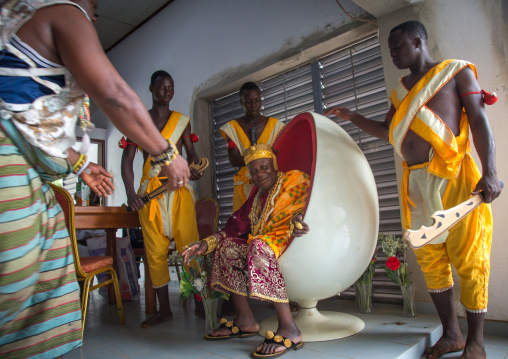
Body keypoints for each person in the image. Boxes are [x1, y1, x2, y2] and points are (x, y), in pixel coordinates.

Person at [0, 1, 189, 358]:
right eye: (95, 5)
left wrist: (81, 164)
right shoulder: (64, 10)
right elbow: (115, 96)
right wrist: (167, 155)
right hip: (12, 171)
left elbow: (27, 122)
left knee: (40, 307)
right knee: (13, 292)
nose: (95, 14)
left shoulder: (17, 21)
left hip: (33, 176)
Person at [324, 20, 501, 359]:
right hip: (415, 185)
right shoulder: (400, 91)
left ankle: (476, 342)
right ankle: (452, 334)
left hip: (455, 178)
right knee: (430, 260)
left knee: (470, 259)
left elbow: (479, 119)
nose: (392, 53)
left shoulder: (455, 72)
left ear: (419, 43)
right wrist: (352, 116)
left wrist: (491, 172)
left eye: (398, 46)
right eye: (391, 48)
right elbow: (387, 131)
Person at [183, 144, 310, 359]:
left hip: (294, 241)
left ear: (274, 165)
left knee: (258, 246)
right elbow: (235, 227)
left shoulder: (293, 179)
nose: (260, 174)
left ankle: (290, 329)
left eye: (265, 167)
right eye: (254, 171)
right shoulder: (256, 198)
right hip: (264, 244)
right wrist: (206, 243)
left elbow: (307, 203)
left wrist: (299, 219)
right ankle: (245, 320)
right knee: (228, 247)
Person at [121, 70, 204, 328]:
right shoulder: (138, 121)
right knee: (154, 252)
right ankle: (164, 310)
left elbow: (191, 154)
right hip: (150, 195)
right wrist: (131, 193)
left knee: (189, 245)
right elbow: (127, 162)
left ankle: (203, 302)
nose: (167, 91)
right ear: (151, 89)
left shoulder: (182, 121)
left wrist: (196, 166)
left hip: (178, 189)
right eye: (162, 87)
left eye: (170, 87)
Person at [220, 82, 285, 212]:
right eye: (248, 102)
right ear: (241, 102)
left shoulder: (276, 125)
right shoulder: (232, 128)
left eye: (257, 101)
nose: (254, 106)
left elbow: (282, 154)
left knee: (270, 225)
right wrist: (265, 154)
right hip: (244, 187)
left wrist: (252, 157)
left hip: (270, 184)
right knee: (243, 227)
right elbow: (234, 160)